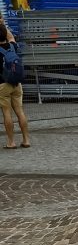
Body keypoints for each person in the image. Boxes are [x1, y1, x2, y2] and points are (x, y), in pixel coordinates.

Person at [0, 21, 31, 149]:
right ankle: (26, 140)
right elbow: (11, 36)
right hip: (16, 84)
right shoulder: (13, 45)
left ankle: (11, 142)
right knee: (20, 111)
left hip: (2, 85)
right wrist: (3, 25)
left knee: (7, 113)